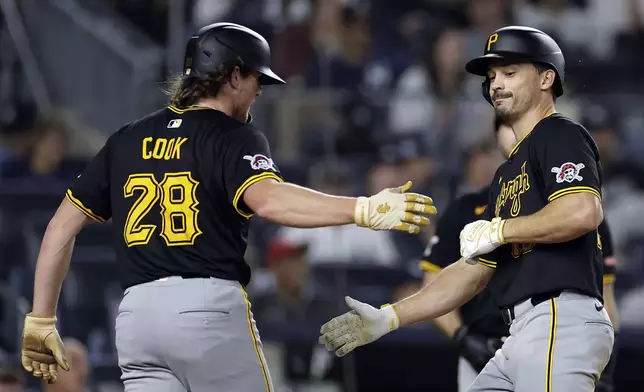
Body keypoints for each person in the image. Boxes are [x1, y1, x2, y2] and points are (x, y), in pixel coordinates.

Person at [18, 22, 436, 391]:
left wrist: (40, 319)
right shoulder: (234, 135)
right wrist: (361, 209)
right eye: (256, 79)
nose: (258, 91)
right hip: (205, 308)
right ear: (233, 75)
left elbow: (59, 229)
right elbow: (269, 200)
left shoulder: (127, 138)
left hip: (136, 318)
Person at [319, 26, 614, 392]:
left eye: (510, 72)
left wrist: (500, 230)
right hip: (521, 333)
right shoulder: (507, 174)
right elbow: (472, 270)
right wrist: (391, 316)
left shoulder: (558, 133)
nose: (496, 84)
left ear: (546, 77)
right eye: (492, 77)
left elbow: (582, 211)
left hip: (559, 318)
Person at [419, 118, 621, 391]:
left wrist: (607, 368)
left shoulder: (575, 205)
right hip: (485, 342)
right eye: (508, 127)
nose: (518, 135)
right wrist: (463, 338)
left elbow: (604, 292)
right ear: (496, 139)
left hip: (553, 333)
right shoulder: (467, 209)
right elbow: (434, 281)